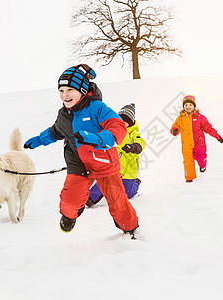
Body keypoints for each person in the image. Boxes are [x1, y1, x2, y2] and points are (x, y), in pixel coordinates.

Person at [23, 64, 139, 237]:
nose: (65, 95)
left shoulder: (97, 108)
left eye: (70, 89)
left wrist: (99, 139)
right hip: (78, 163)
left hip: (103, 162)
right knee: (70, 201)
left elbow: (118, 126)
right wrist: (38, 140)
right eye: (61, 90)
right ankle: (71, 214)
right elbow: (55, 131)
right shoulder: (64, 114)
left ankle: (129, 227)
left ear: (83, 90)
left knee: (117, 200)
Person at [86, 103, 146, 208]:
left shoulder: (133, 133)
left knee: (127, 194)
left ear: (130, 123)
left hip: (129, 169)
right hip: (114, 165)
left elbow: (141, 142)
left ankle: (135, 183)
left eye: (126, 121)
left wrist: (134, 146)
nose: (123, 123)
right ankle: (89, 198)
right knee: (105, 182)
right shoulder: (113, 130)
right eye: (120, 119)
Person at [170, 95, 223, 182]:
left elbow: (208, 128)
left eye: (190, 105)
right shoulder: (180, 118)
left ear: (194, 106)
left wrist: (217, 136)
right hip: (186, 144)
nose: (188, 107)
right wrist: (174, 130)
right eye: (186, 105)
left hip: (199, 143)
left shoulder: (200, 118)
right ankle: (189, 178)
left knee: (200, 157)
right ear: (183, 106)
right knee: (188, 161)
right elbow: (175, 126)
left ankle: (202, 165)